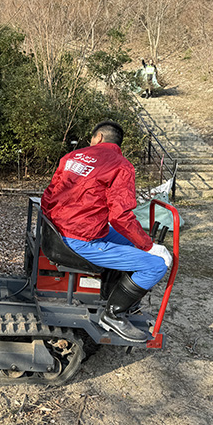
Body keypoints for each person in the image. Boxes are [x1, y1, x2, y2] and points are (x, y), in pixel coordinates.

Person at [41, 121, 173, 342]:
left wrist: (51, 225)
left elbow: (49, 194)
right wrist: (149, 246)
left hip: (58, 230)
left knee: (134, 245)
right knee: (157, 264)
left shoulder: (72, 157)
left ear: (99, 137)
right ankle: (113, 313)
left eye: (92, 138)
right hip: (81, 238)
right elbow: (120, 216)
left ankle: (110, 293)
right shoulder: (121, 166)